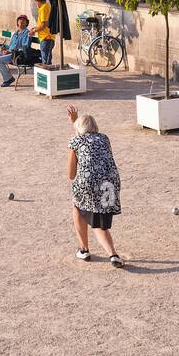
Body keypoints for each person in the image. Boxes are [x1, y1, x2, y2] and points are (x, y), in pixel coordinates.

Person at [65, 106, 123, 268]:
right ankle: (113, 255)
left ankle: (84, 250)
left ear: (79, 129)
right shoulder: (104, 138)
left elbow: (71, 175)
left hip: (88, 184)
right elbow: (87, 139)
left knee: (77, 206)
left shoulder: (75, 142)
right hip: (110, 184)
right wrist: (75, 121)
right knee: (100, 222)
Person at [0, 15, 32, 87]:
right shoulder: (15, 33)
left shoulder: (26, 33)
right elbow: (10, 46)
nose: (21, 21)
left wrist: (10, 51)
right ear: (17, 22)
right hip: (9, 53)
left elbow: (25, 47)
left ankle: (8, 78)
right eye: (20, 20)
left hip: (17, 55)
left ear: (26, 23)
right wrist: (4, 48)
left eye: (24, 20)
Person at [32, 0, 56, 65]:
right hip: (50, 37)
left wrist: (34, 31)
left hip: (45, 37)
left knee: (45, 63)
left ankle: (47, 75)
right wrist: (35, 28)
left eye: (36, 3)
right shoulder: (48, 6)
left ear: (39, 1)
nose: (36, 5)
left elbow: (43, 25)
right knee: (48, 60)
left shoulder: (43, 8)